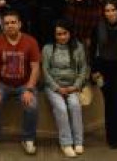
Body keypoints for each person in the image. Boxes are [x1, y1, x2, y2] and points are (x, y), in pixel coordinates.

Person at [0, 9, 41, 155]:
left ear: (20, 24)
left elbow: (35, 68)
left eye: (13, 22)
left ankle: (28, 138)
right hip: (4, 84)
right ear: (3, 26)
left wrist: (29, 90)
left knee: (32, 105)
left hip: (24, 84)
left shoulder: (31, 42)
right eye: (6, 23)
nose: (10, 26)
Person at [43, 19, 88, 158]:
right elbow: (45, 71)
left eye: (65, 33)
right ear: (54, 35)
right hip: (54, 87)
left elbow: (83, 70)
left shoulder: (78, 47)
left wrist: (75, 87)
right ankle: (66, 143)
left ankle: (78, 141)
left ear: (70, 33)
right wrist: (57, 88)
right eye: (59, 34)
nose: (62, 37)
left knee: (75, 105)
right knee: (61, 108)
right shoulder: (48, 48)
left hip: (72, 87)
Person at [89, 0, 117, 149]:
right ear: (103, 12)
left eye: (113, 10)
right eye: (107, 10)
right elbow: (92, 51)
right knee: (109, 103)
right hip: (103, 70)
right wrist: (94, 71)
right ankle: (110, 136)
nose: (110, 13)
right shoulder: (97, 27)